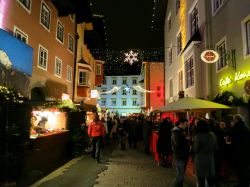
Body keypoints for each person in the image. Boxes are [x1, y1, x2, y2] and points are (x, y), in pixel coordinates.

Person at [193, 119, 217, 187]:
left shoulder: (198, 137)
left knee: (201, 182)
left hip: (200, 162)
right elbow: (215, 147)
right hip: (210, 160)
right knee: (211, 182)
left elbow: (196, 149)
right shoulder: (213, 135)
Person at [228, 114, 250, 187]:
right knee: (244, 169)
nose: (233, 121)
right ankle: (244, 183)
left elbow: (231, 134)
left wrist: (232, 126)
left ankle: (243, 184)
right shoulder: (245, 127)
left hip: (239, 152)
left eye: (234, 120)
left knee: (241, 169)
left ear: (237, 120)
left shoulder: (238, 127)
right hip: (245, 151)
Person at [171, 118, 190, 187]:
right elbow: (177, 144)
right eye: (185, 124)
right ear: (181, 123)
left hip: (184, 155)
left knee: (181, 175)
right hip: (179, 156)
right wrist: (186, 139)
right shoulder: (176, 132)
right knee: (180, 176)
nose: (187, 126)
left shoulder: (182, 131)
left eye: (187, 124)